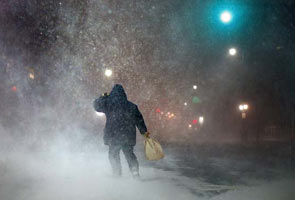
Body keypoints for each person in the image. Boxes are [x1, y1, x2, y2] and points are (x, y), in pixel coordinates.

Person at [93, 84, 149, 177]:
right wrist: (144, 132)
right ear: (124, 94)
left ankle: (117, 173)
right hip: (128, 135)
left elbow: (96, 105)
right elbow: (139, 120)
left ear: (113, 93)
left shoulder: (108, 103)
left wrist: (103, 97)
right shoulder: (132, 106)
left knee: (113, 155)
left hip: (113, 135)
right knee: (130, 155)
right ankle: (135, 174)